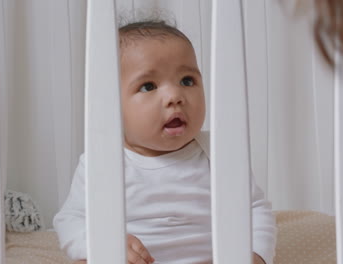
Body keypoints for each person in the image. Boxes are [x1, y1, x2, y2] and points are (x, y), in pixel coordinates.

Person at [53, 20, 277, 264]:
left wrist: (255, 254)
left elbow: (255, 209)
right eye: (148, 86)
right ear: (111, 105)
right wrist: (96, 244)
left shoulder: (219, 153)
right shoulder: (101, 162)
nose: (175, 96)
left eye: (187, 81)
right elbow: (71, 219)